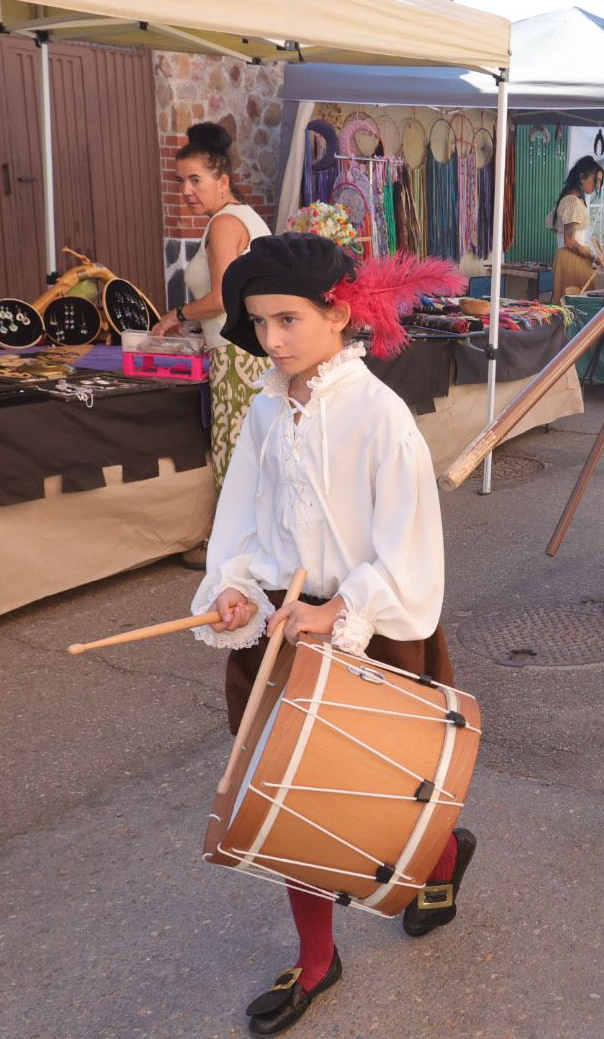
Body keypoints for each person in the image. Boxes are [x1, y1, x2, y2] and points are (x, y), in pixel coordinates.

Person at [190, 233, 473, 1035]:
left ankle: (445, 856)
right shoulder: (263, 415)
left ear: (339, 313)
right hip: (280, 631)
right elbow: (237, 521)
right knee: (292, 805)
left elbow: (410, 545)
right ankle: (318, 958)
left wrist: (341, 610)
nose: (270, 341)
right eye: (258, 324)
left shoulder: (382, 417)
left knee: (388, 797)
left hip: (369, 628)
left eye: (286, 320)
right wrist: (238, 589)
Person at [154, 124, 275, 550]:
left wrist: (177, 314)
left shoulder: (225, 223)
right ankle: (252, 547)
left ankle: (236, 553)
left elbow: (223, 297)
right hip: (248, 352)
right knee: (252, 453)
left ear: (222, 181)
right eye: (180, 180)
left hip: (239, 358)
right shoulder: (240, 217)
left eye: (195, 180)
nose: (186, 190)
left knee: (235, 454)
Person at [548, 156, 604, 303]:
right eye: (596, 180)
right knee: (576, 307)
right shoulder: (572, 202)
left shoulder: (572, 200)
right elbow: (570, 242)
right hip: (572, 260)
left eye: (600, 181)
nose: (598, 186)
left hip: (572, 258)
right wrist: (594, 257)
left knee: (577, 307)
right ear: (582, 176)